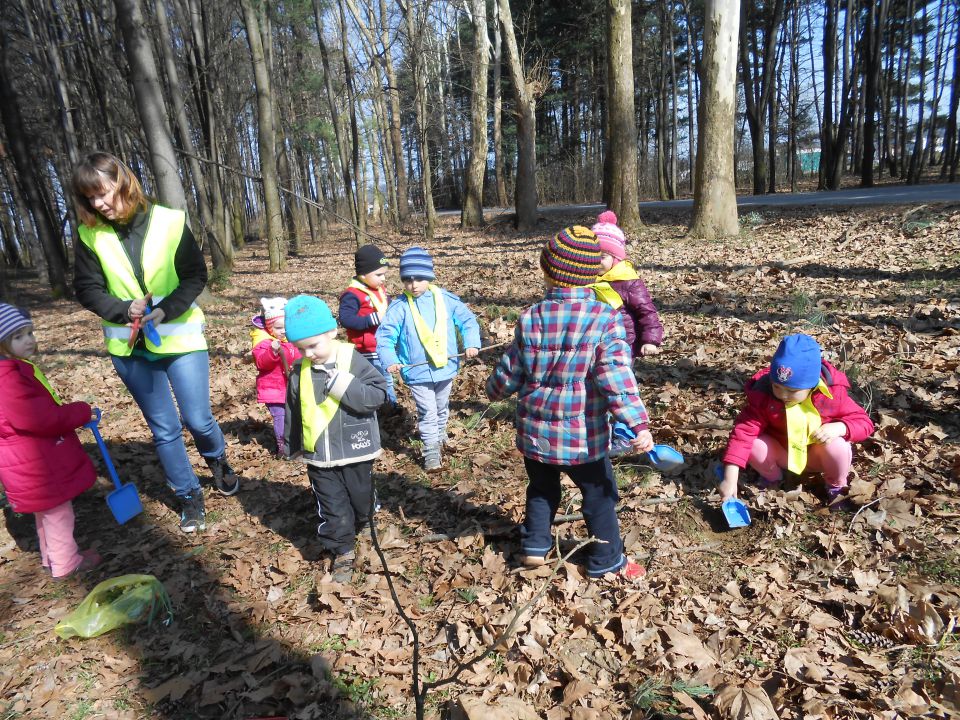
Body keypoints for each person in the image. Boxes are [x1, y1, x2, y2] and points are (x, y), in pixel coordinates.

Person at [71, 151, 239, 534]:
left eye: (103, 192)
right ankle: (188, 495)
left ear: (123, 181)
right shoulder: (88, 235)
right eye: (89, 197)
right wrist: (122, 309)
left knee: (198, 418)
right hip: (130, 349)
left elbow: (195, 277)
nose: (99, 203)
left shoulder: (170, 221)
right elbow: (87, 289)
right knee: (164, 428)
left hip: (179, 338)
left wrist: (166, 310)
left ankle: (217, 459)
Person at [486, 226, 653, 581]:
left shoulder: (531, 316)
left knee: (542, 489)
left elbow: (512, 368)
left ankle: (534, 546)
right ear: (595, 273)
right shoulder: (605, 320)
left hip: (535, 433)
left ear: (547, 271)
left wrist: (494, 389)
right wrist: (638, 423)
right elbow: (617, 380)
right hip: (584, 438)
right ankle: (607, 558)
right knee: (599, 494)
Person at [283, 295, 387, 583]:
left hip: (355, 450)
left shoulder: (351, 359)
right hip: (319, 456)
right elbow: (294, 408)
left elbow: (377, 396)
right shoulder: (299, 372)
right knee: (332, 506)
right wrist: (293, 445)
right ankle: (342, 549)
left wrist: (345, 385)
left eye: (313, 346)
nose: (309, 354)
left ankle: (366, 519)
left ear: (331, 332)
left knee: (361, 494)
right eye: (301, 349)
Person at [0, 304, 101, 578]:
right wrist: (80, 411)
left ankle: (52, 559)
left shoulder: (12, 372)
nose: (30, 340)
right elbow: (38, 418)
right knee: (58, 515)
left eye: (30, 332)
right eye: (18, 337)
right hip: (37, 464)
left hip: (24, 462)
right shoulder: (8, 379)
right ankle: (67, 563)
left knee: (46, 514)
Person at [718, 333, 875, 507]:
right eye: (777, 386)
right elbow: (743, 432)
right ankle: (774, 479)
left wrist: (840, 427)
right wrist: (730, 478)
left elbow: (864, 423)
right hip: (782, 454)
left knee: (838, 446)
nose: (783, 395)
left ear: (812, 385)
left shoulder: (831, 395)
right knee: (755, 444)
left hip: (817, 455)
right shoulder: (764, 396)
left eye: (792, 391)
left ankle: (835, 487)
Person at [376, 247, 482, 471]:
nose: (413, 285)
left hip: (446, 367)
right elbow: (385, 336)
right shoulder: (400, 307)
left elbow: (468, 321)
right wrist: (390, 360)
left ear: (430, 276)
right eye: (407, 280)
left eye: (419, 279)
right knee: (428, 411)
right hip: (418, 372)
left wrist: (472, 343)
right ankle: (431, 450)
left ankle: (440, 436)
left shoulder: (445, 299)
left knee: (442, 407)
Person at [591, 210, 664, 359]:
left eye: (603, 257)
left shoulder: (627, 280)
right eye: (593, 256)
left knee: (617, 378)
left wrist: (650, 340)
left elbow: (646, 312)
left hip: (623, 343)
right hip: (593, 341)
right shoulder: (586, 280)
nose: (597, 262)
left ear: (616, 258)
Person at [338, 244, 396, 405]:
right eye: (379, 275)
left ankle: (391, 408)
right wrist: (373, 319)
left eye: (384, 274)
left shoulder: (379, 289)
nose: (383, 278)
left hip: (382, 344)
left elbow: (387, 305)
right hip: (366, 348)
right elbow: (346, 319)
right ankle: (384, 407)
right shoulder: (352, 295)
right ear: (363, 275)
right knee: (379, 379)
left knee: (387, 378)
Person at [251, 297, 301, 457]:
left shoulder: (293, 340)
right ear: (269, 327)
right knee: (281, 417)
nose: (283, 331)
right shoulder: (264, 342)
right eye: (278, 328)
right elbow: (261, 363)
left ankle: (297, 443)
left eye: (286, 327)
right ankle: (284, 447)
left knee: (295, 416)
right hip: (274, 389)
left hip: (291, 386)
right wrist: (272, 351)